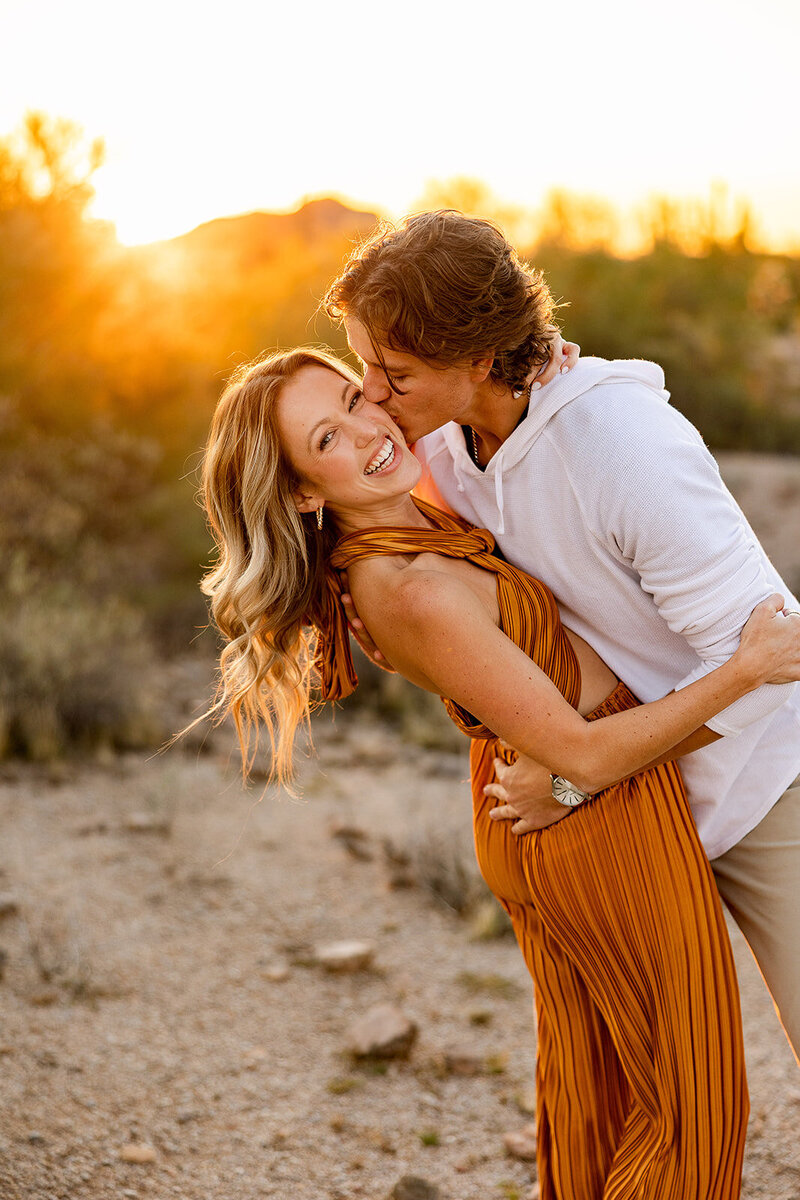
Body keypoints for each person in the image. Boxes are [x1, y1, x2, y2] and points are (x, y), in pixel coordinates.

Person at [200, 347, 800, 1199]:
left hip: (562, 790)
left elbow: (504, 445)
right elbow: (583, 756)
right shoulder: (404, 584)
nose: (371, 426)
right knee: (689, 1108)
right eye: (329, 437)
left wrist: (526, 368)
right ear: (303, 491)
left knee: (608, 1092)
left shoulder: (407, 509)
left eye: (354, 395)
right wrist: (747, 669)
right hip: (585, 806)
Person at [324, 210, 800, 1067]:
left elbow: (771, 665)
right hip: (631, 803)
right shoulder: (444, 438)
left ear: (478, 359)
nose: (368, 393)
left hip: (765, 783)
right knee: (636, 1077)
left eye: (391, 372)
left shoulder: (624, 451)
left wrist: (576, 782)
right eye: (364, 362)